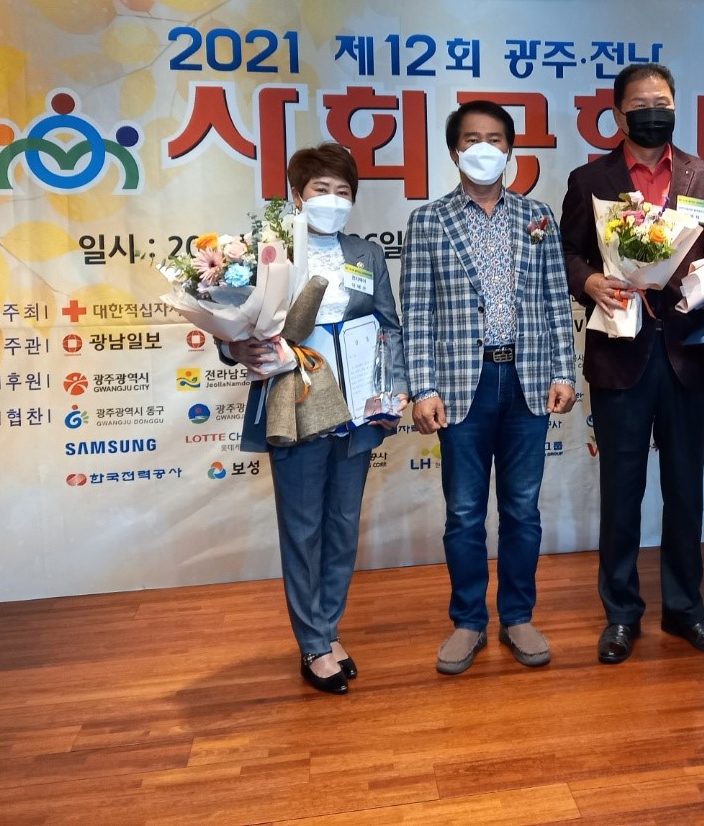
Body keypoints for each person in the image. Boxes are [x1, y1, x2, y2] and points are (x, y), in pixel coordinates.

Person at [559, 62, 704, 664]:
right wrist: (590, 282)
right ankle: (621, 614)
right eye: (640, 105)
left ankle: (686, 610)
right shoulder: (590, 180)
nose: (653, 113)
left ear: (676, 108)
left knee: (686, 490)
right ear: (618, 114)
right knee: (621, 491)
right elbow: (568, 251)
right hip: (619, 353)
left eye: (663, 102)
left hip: (686, 352)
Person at [223, 143, 408, 695]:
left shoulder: (365, 253)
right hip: (297, 402)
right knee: (303, 528)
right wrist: (235, 348)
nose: (332, 200)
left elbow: (389, 326)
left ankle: (328, 628)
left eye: (343, 192)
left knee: (343, 525)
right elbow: (233, 326)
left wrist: (392, 390)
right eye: (321, 190)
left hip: (358, 405)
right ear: (297, 196)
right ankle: (312, 643)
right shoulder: (271, 252)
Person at [400, 101, 578, 675]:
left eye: (496, 138)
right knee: (464, 512)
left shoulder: (537, 216)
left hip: (527, 380)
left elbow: (555, 301)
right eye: (472, 138)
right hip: (460, 386)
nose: (485, 147)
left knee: (523, 509)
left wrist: (564, 372)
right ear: (454, 151)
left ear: (510, 149)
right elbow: (417, 312)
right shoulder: (428, 221)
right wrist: (422, 387)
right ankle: (468, 621)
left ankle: (518, 616)